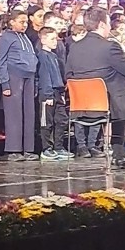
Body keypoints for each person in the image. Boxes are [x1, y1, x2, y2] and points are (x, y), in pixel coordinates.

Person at [66, 6, 125, 169]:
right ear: (102, 25)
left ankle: (119, 155)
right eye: (109, 24)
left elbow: (68, 74)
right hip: (109, 105)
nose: (110, 28)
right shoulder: (110, 46)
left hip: (82, 106)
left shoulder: (74, 47)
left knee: (120, 97)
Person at [0, 9, 38, 161]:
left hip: (29, 77)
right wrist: (5, 84)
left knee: (29, 113)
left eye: (26, 22)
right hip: (14, 76)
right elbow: (1, 62)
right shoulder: (6, 38)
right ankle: (13, 149)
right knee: (14, 114)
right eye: (21, 22)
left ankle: (28, 148)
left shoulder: (25, 37)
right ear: (11, 22)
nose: (24, 25)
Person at [37, 26, 72, 160]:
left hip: (57, 92)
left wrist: (61, 93)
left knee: (61, 120)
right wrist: (47, 95)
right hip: (48, 93)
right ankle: (47, 148)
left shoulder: (53, 56)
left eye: (55, 38)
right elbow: (45, 76)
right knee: (47, 122)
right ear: (43, 40)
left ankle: (58, 146)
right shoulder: (42, 56)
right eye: (52, 39)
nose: (55, 41)